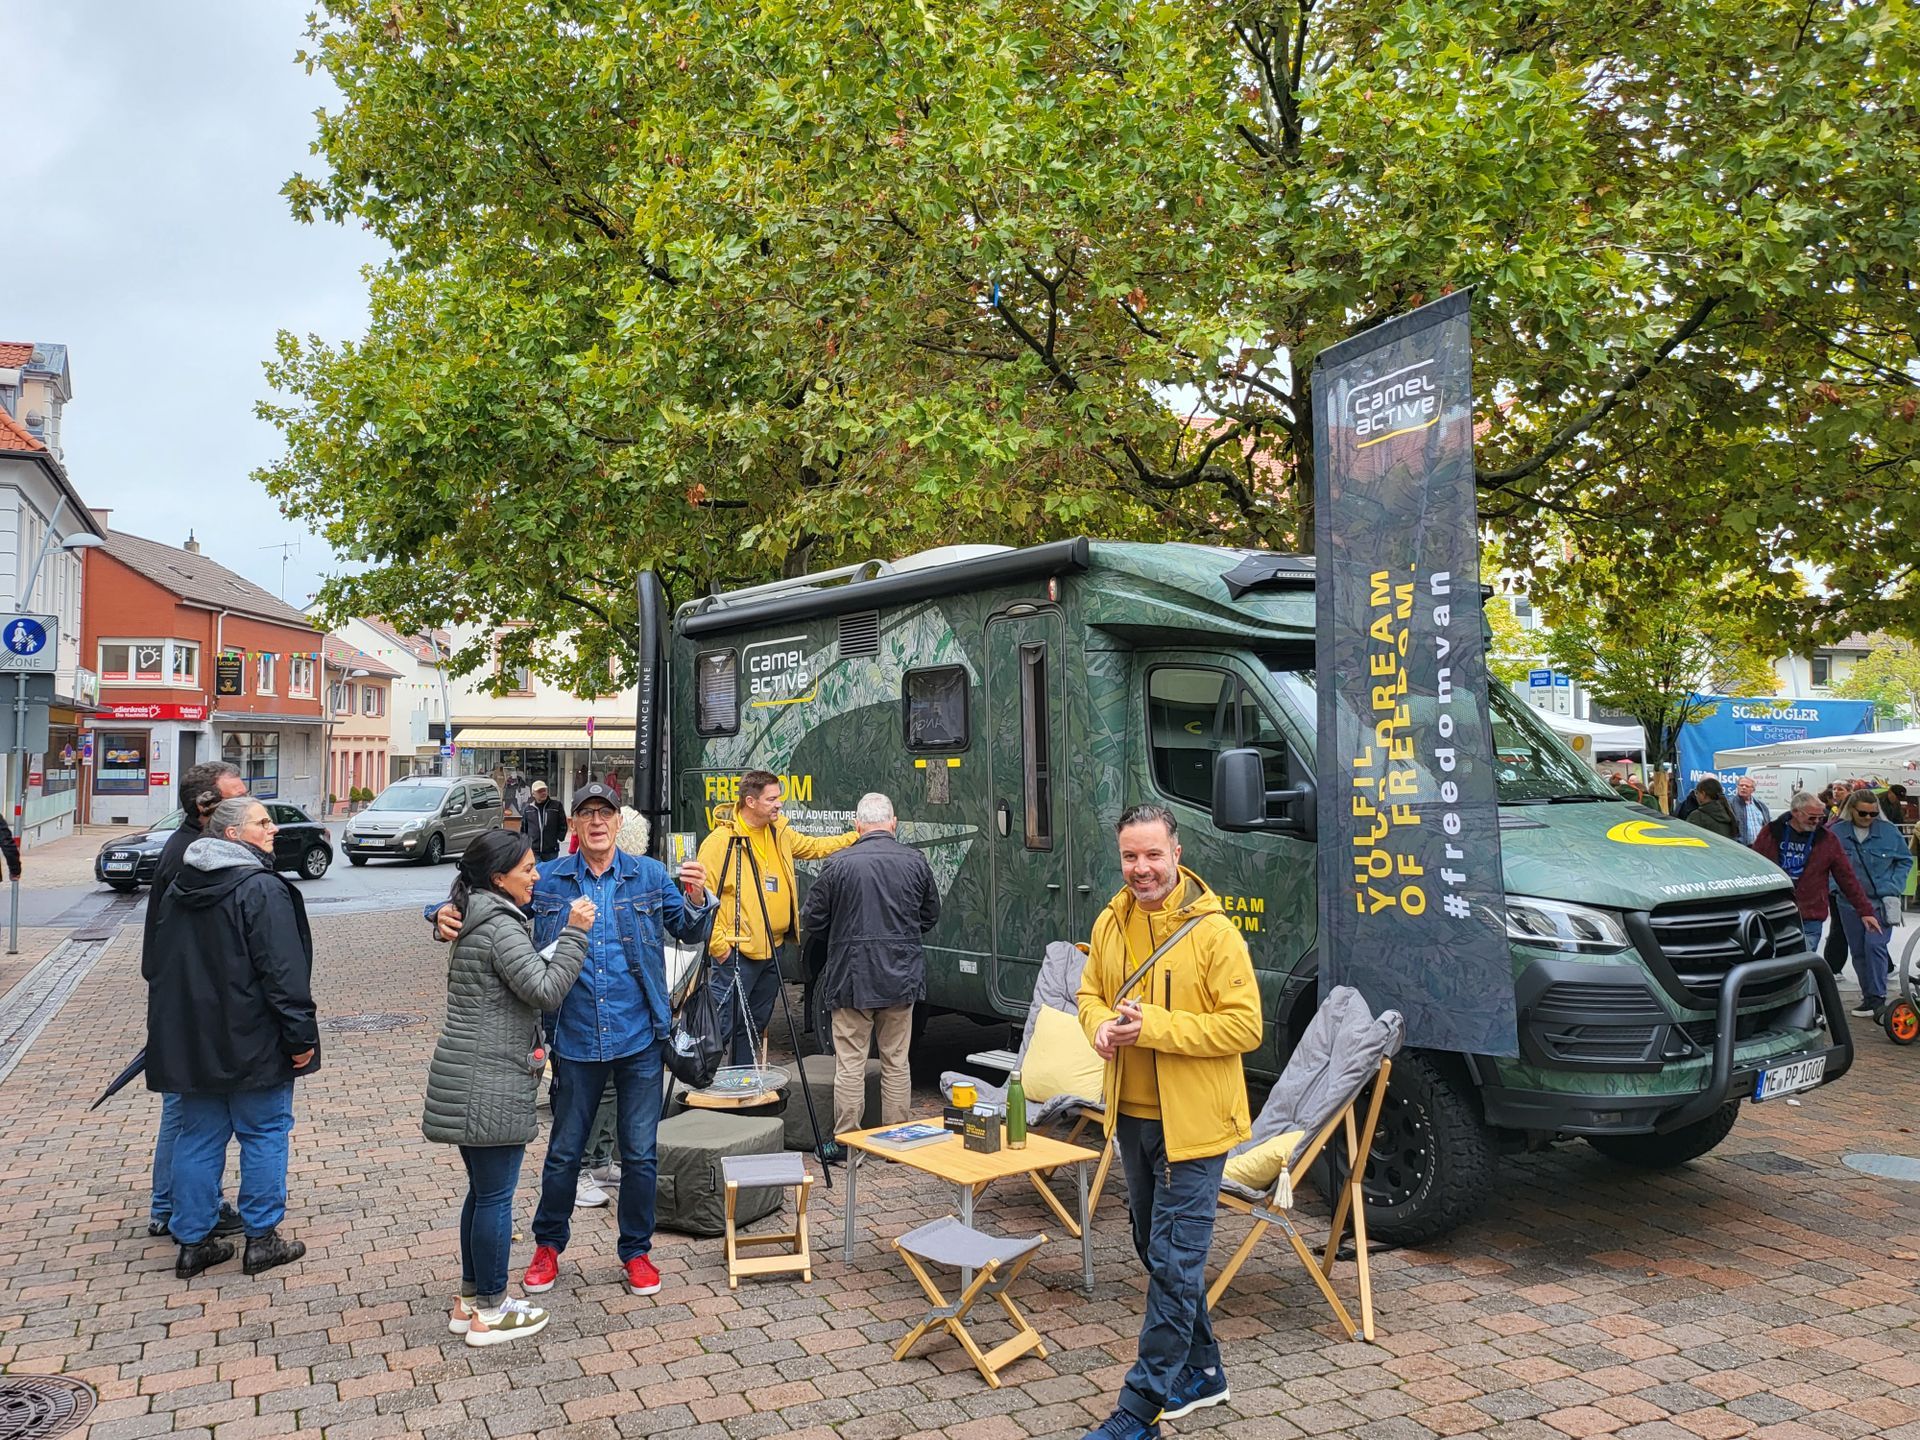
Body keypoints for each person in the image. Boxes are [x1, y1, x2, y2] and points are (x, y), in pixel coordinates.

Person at [433, 781, 713, 1299]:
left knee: (641, 1154)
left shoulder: (649, 874)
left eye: (605, 812)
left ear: (618, 821)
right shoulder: (551, 879)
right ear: (576, 826)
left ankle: (637, 1252)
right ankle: (548, 1246)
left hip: (640, 1039)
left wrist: (699, 897)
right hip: (576, 1038)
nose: (597, 821)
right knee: (564, 1153)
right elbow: (482, 893)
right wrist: (441, 914)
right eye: (586, 813)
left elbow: (691, 932)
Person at [1075, 805, 1261, 1440]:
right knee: (1157, 1252)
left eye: (1153, 855)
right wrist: (1098, 1025)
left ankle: (1140, 1410)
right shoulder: (1109, 922)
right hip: (1132, 1115)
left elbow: (1245, 1027)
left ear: (1177, 854)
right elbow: (1090, 993)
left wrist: (1153, 1027)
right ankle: (1204, 1371)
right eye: (1130, 856)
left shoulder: (1215, 935)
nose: (1141, 869)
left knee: (1176, 1265)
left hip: (1197, 1127)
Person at [425, 829, 593, 1346]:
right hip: (490, 1079)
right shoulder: (500, 927)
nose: (536, 875)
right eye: (526, 869)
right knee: (497, 1198)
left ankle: (471, 1299)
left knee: (482, 1194)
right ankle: (493, 1311)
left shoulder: (475, 911)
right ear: (498, 878)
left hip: (468, 1075)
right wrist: (575, 934)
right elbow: (545, 990)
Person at [145, 796, 319, 1279]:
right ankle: (261, 1240)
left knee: (198, 1138)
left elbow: (162, 963)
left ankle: (194, 1241)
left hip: (193, 1038)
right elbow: (284, 973)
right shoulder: (260, 888)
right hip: (253, 1036)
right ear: (231, 835)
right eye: (262, 823)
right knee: (263, 1133)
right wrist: (300, 1036)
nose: (273, 830)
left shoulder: (183, 883)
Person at [146, 760, 249, 1240]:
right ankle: (173, 1206)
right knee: (185, 1111)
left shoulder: (197, 846)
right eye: (235, 798)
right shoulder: (192, 855)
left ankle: (173, 1203)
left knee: (184, 1109)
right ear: (206, 806)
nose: (246, 805)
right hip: (187, 1001)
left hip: (182, 997)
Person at [799, 792, 940, 1141]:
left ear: (858, 825)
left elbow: (812, 918)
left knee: (850, 1064)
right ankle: (898, 1136)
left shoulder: (838, 863)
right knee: (896, 1061)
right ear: (893, 823)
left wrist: (841, 933)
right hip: (900, 976)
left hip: (851, 978)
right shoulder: (915, 861)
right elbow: (929, 915)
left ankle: (849, 1139)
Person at [696, 770, 856, 1068]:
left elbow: (812, 847)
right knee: (721, 1025)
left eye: (779, 798)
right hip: (737, 952)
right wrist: (719, 947)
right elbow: (701, 899)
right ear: (750, 801)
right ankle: (703, 1084)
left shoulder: (778, 831)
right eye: (772, 799)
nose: (779, 805)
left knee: (754, 1022)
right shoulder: (720, 841)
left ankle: (743, 1079)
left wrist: (855, 837)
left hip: (773, 948)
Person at [1754, 792, 1882, 957]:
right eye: (1812, 817)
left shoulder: (1827, 839)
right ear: (1795, 812)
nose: (1816, 822)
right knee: (1772, 963)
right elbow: (1754, 866)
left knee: (1801, 964)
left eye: (1820, 818)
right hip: (1773, 911)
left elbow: (1847, 878)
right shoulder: (1771, 832)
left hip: (1810, 914)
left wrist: (1865, 911)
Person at [1828, 791, 1912, 1020]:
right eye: (1863, 813)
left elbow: (1905, 860)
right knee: (1858, 950)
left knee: (1875, 945)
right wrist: (1834, 887)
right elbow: (1826, 862)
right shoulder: (1836, 832)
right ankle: (1869, 997)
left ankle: (1877, 998)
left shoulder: (1889, 831)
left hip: (1881, 901)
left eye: (1873, 813)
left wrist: (1893, 886)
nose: (1868, 817)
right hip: (1849, 902)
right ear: (1851, 810)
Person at [517, 780, 567, 863]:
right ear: (533, 794)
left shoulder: (556, 806)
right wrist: (525, 844)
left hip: (551, 850)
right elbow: (524, 829)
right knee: (537, 874)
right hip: (534, 851)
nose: (543, 793)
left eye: (544, 790)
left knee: (550, 874)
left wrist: (560, 838)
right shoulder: (528, 809)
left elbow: (563, 824)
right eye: (540, 791)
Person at [1730, 775, 1771, 846]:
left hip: (1760, 847)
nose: (1743, 787)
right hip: (1742, 848)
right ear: (1737, 787)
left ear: (1753, 789)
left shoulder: (1761, 806)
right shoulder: (1730, 804)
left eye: (1747, 786)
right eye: (1741, 785)